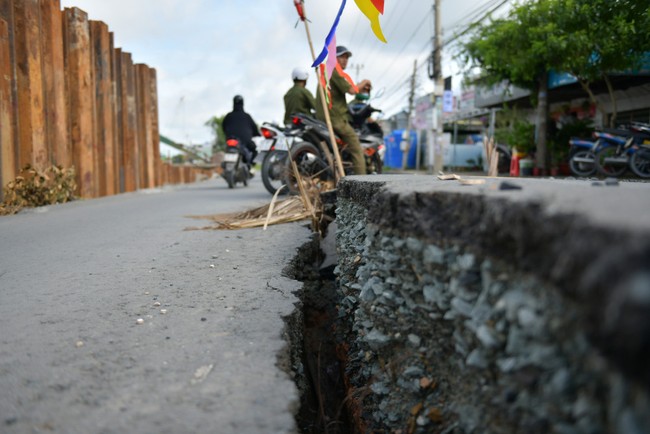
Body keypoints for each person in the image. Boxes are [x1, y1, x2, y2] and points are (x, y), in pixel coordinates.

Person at [315, 45, 372, 175]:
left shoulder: (327, 71)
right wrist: (365, 81)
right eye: (342, 56)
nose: (345, 60)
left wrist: (361, 88)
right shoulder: (335, 70)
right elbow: (352, 90)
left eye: (346, 57)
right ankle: (361, 183)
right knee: (356, 148)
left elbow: (348, 90)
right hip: (335, 119)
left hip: (324, 117)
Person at [222, 95, 260, 165]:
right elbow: (254, 128)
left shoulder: (228, 116)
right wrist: (257, 133)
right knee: (254, 150)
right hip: (245, 142)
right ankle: (250, 166)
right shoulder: (247, 116)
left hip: (231, 139)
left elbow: (224, 127)